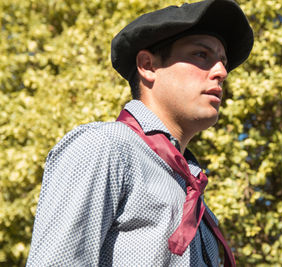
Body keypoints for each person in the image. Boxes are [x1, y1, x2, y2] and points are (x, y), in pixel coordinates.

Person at [26, 0, 253, 266]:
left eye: (223, 62)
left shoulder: (193, 192)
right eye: (201, 55)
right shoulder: (105, 147)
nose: (221, 72)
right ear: (148, 66)